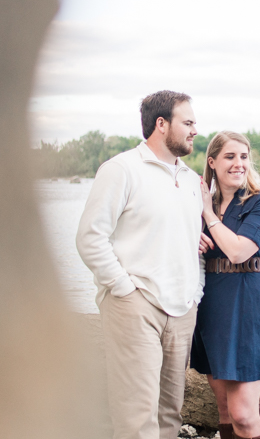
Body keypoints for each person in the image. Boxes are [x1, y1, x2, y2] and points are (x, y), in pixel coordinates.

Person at [76, 90, 205, 439]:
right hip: (136, 305)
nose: (196, 129)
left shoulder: (192, 181)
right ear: (161, 124)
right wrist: (123, 289)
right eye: (188, 122)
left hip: (182, 310)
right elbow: (90, 237)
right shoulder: (121, 170)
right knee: (137, 419)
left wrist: (196, 290)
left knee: (169, 416)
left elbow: (192, 244)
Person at [191, 131, 260, 439]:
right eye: (230, 156)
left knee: (243, 414)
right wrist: (188, 236)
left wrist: (208, 214)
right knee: (223, 410)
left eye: (244, 157)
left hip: (250, 304)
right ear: (212, 162)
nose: (239, 164)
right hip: (211, 304)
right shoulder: (196, 206)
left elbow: (238, 251)